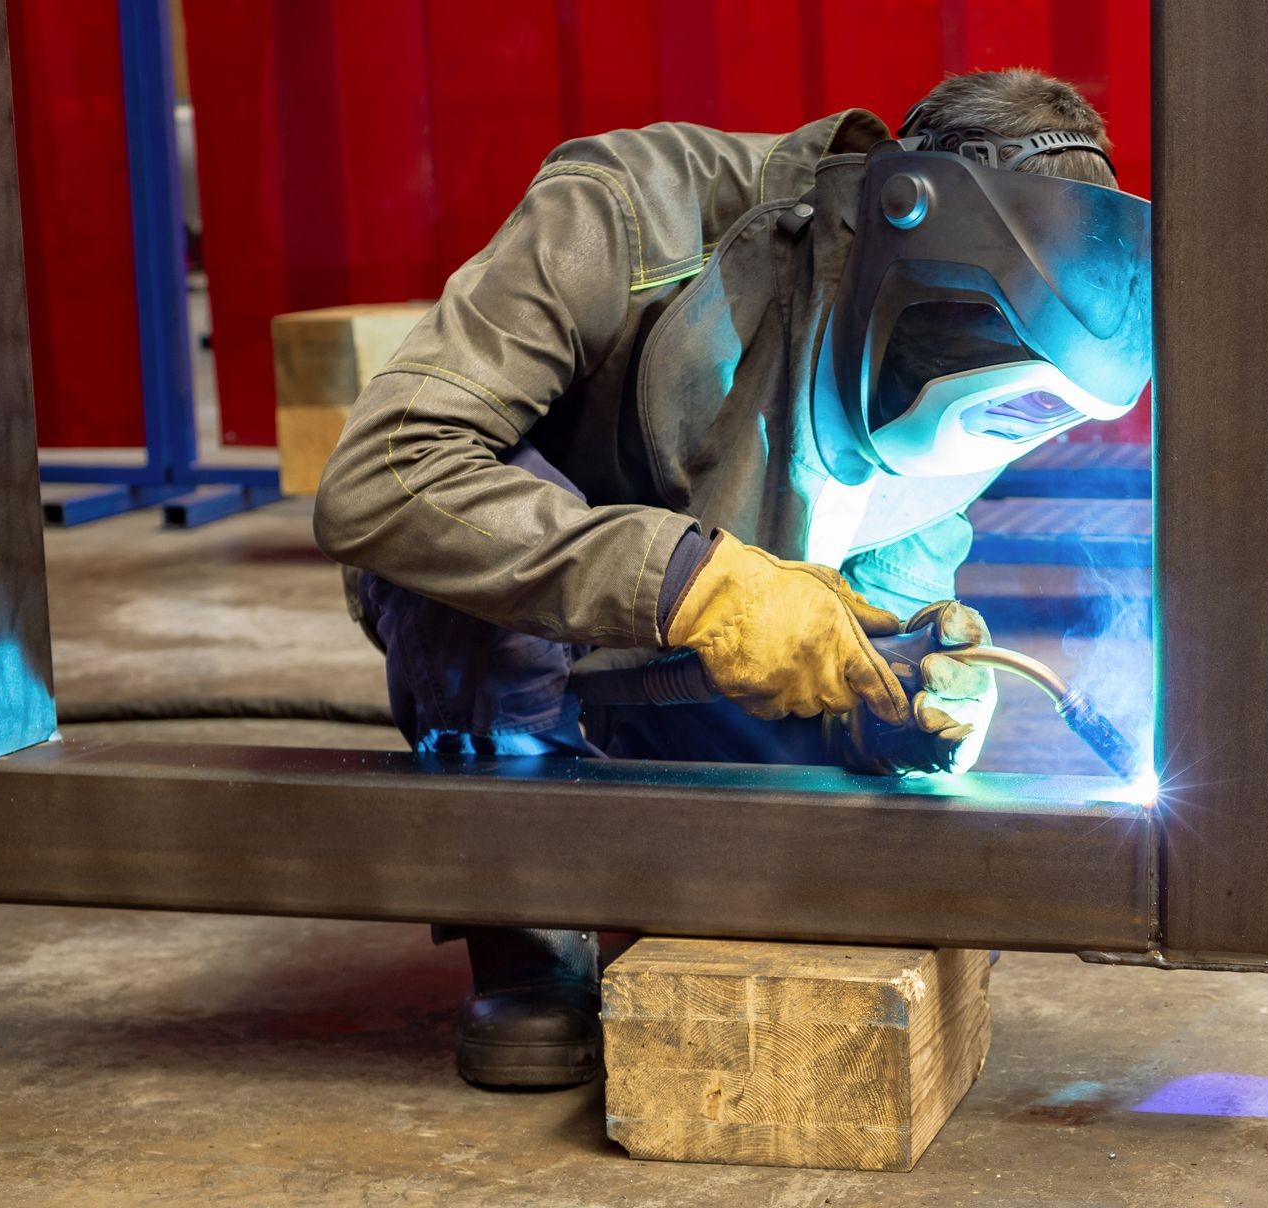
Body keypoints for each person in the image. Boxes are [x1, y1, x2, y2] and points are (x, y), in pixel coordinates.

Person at [312, 69, 1153, 1089]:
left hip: (682, 663)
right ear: (894, 246)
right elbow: (383, 475)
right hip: (520, 622)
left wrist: (887, 698)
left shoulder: (997, 378)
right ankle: (524, 917)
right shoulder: (622, 210)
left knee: (825, 813)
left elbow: (872, 608)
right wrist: (698, 585)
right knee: (467, 548)